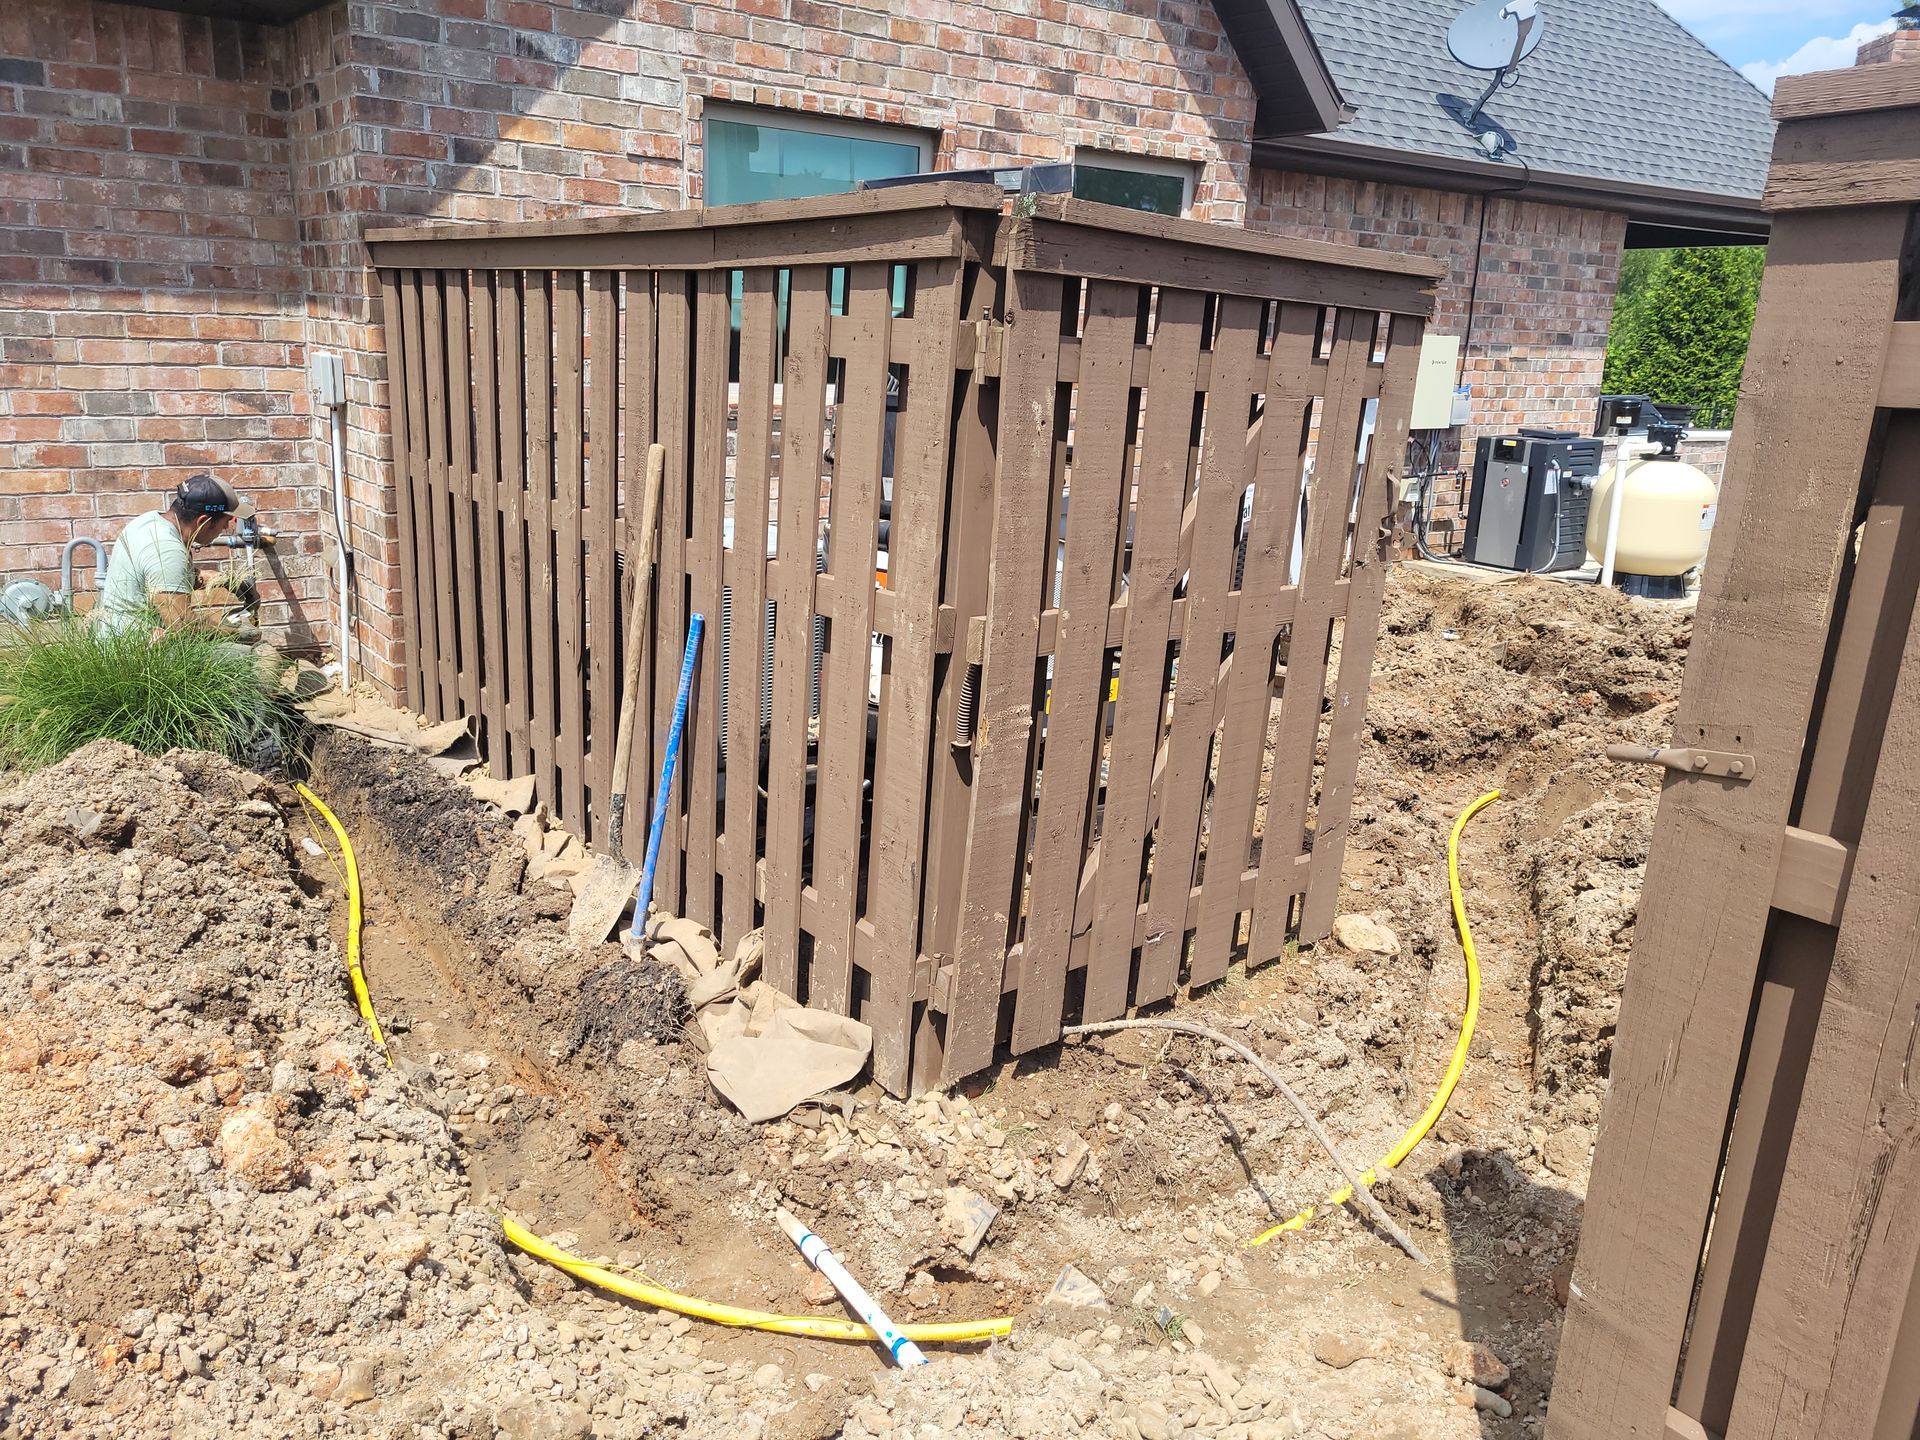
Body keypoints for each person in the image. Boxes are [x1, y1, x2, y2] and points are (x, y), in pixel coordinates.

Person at [94, 474, 254, 637]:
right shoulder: (168, 551)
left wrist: (223, 580)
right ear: (203, 522)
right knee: (262, 656)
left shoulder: (149, 520)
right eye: (225, 521)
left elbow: (169, 578)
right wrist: (237, 632)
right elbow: (183, 625)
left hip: (125, 635)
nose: (227, 527)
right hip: (135, 647)